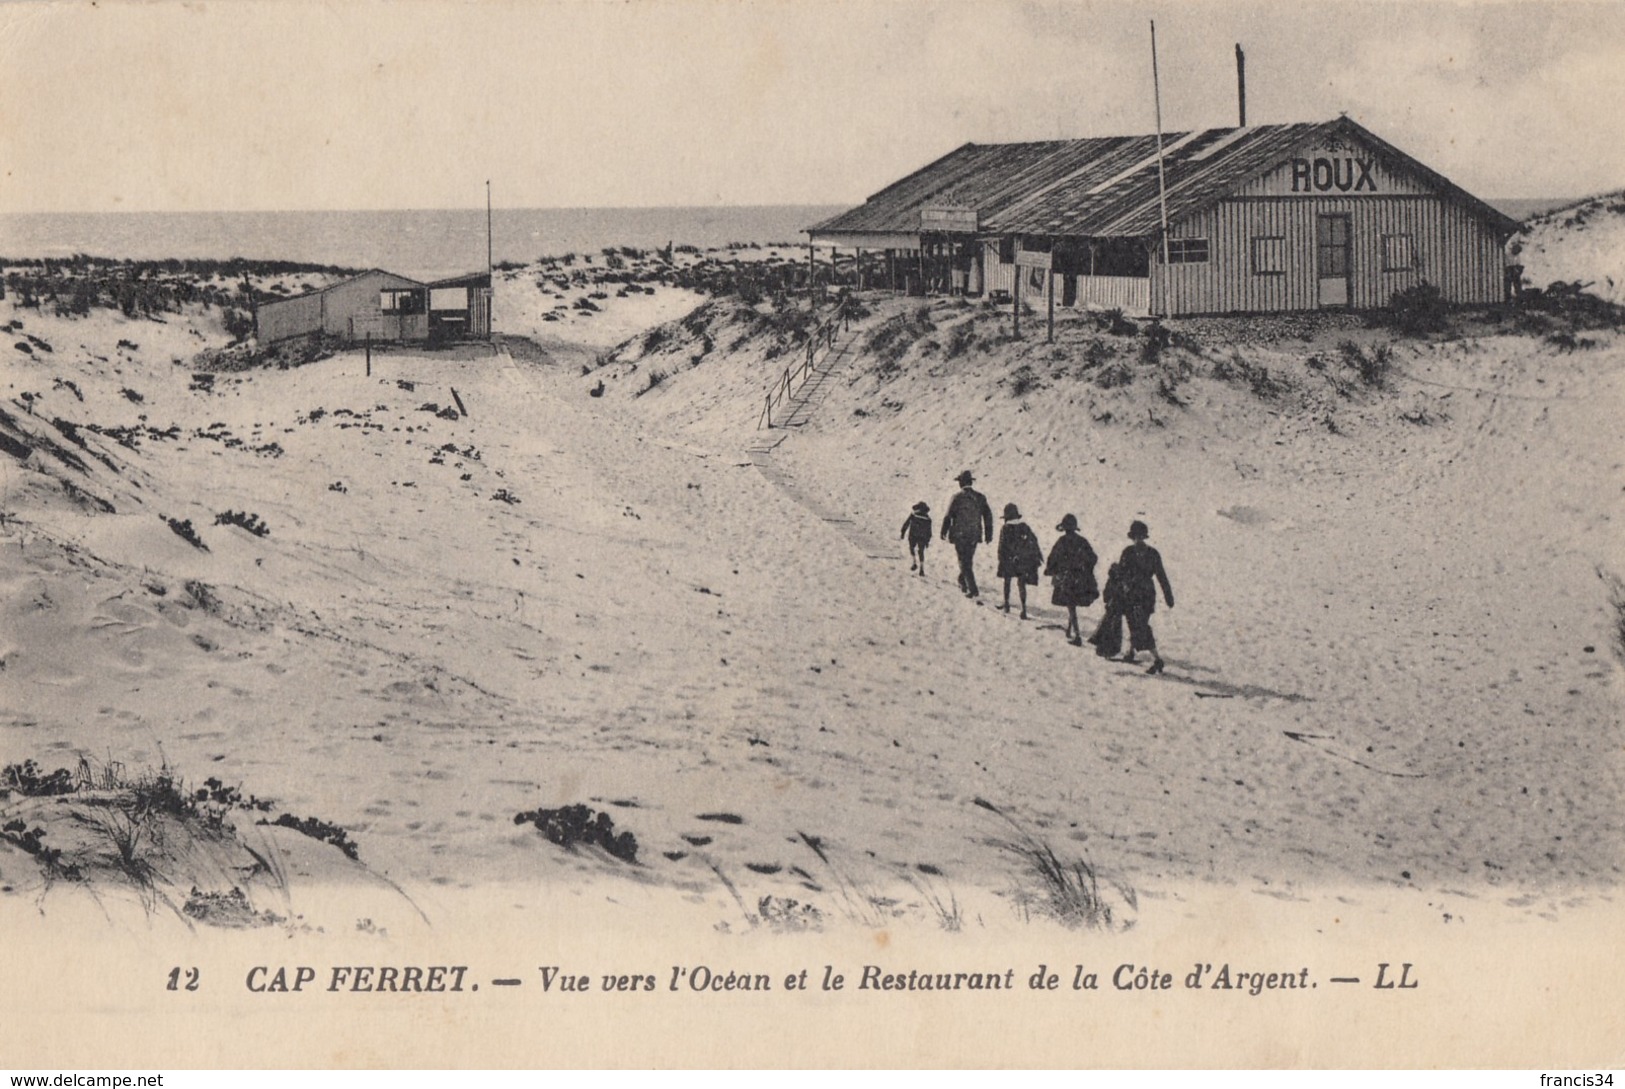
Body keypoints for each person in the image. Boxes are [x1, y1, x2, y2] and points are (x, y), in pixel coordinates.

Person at [1116, 520, 1174, 674]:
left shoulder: (1149, 554)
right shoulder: (1129, 552)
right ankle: (1130, 652)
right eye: (1136, 537)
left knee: (1141, 625)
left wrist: (1168, 596)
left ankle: (1157, 659)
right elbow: (1120, 573)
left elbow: (1161, 575)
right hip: (1133, 594)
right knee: (1133, 623)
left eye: (1140, 537)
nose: (1138, 540)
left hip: (1143, 595)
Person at [1044, 513, 1099, 644]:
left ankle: (1078, 636)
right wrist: (1085, 569)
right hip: (1081, 579)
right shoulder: (1082, 541)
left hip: (1067, 578)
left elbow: (1053, 558)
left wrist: (1051, 570)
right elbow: (1093, 558)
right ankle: (1070, 629)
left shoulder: (1062, 542)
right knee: (1072, 604)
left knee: (1070, 605)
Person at [940, 470, 993, 598]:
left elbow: (948, 516)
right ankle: (962, 580)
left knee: (964, 562)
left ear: (961, 483)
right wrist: (988, 534)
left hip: (960, 535)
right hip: (974, 534)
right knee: (967, 560)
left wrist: (943, 531)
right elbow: (988, 516)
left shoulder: (957, 497)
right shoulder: (980, 497)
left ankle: (972, 589)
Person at [995, 504, 1042, 618]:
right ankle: (1024, 609)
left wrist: (1001, 559)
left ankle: (1006, 604)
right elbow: (1033, 542)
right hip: (1022, 561)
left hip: (1009, 560)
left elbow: (1001, 547)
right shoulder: (1024, 527)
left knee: (1007, 581)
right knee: (1021, 584)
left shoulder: (1005, 528)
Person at [1088, 562, 1125, 658]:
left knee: (1106, 628)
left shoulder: (1111, 581)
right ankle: (1109, 651)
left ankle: (1103, 649)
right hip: (1115, 609)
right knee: (1113, 630)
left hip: (1111, 608)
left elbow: (1105, 595)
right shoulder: (1120, 582)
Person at [899, 501, 932, 576]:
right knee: (921, 552)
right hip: (922, 537)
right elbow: (929, 532)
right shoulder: (928, 519)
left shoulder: (913, 515)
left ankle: (914, 562)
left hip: (913, 535)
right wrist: (927, 541)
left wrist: (903, 532)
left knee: (912, 548)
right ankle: (922, 568)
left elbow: (906, 524)